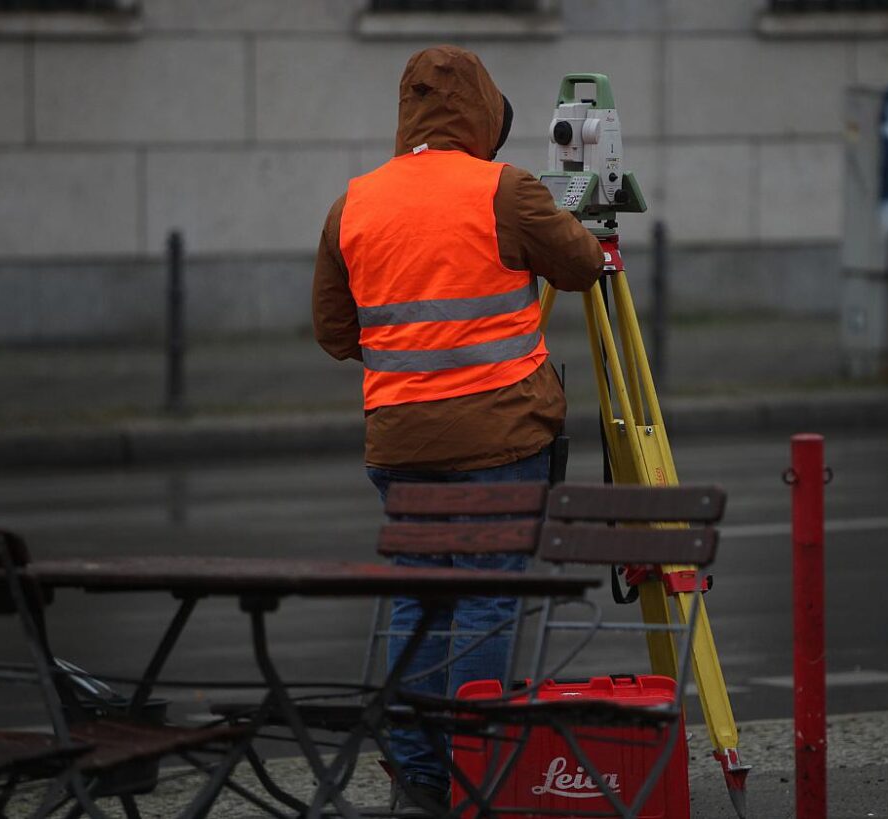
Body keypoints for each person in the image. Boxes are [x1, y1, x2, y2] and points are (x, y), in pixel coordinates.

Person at [311, 45, 604, 815]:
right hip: (500, 437)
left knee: (419, 598)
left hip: (400, 440)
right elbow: (579, 264)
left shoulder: (355, 202)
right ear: (481, 111)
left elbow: (335, 332)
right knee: (486, 599)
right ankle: (479, 767)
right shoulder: (504, 189)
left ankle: (420, 776)